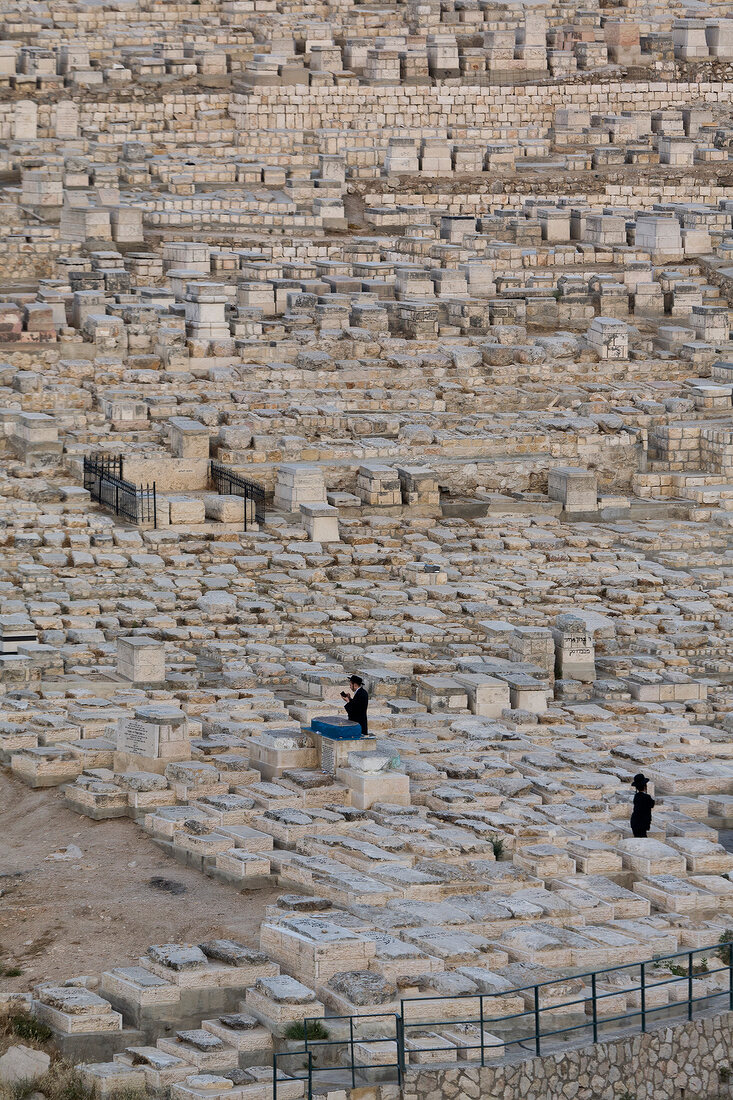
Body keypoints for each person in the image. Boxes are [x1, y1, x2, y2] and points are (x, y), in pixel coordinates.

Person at [630, 772, 655, 838]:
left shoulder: (636, 796)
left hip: (635, 821)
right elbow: (652, 804)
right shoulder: (647, 797)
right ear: (645, 786)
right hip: (642, 823)